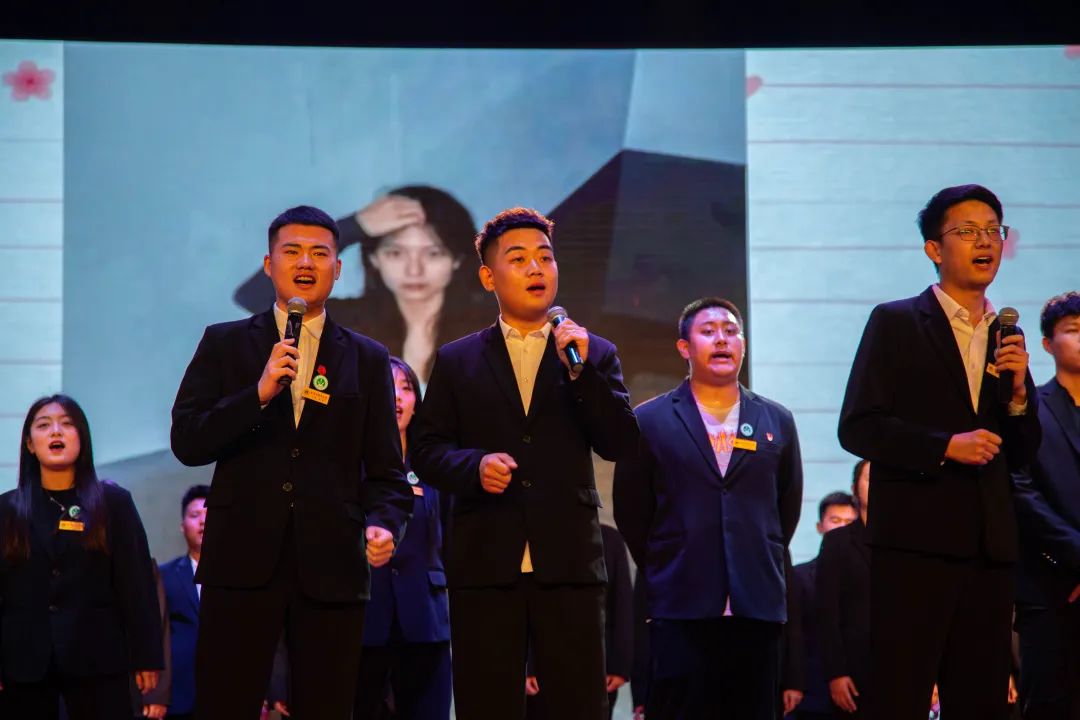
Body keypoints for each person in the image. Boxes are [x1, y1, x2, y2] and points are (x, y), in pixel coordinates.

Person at [171, 205, 413, 719]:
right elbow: (187, 441)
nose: (306, 262)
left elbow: (388, 476)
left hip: (332, 566)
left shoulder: (367, 357)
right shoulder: (225, 342)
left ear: (337, 268)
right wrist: (257, 394)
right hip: (240, 562)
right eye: (293, 251)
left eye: (320, 253)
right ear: (269, 264)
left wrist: (384, 524)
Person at [411, 206, 639, 719]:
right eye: (518, 259)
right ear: (488, 276)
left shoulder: (592, 352)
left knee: (579, 704)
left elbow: (620, 442)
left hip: (569, 561)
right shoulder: (458, 359)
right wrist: (473, 467)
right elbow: (426, 450)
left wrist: (582, 374)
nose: (536, 268)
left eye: (545, 257)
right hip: (485, 560)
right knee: (487, 702)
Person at [838, 184, 1041, 719]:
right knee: (899, 697)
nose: (985, 242)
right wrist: (945, 447)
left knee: (980, 701)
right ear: (934, 248)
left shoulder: (1007, 335)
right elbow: (859, 427)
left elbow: (1022, 453)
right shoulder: (896, 321)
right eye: (968, 231)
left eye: (993, 231)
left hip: (989, 549)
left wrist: (1020, 398)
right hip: (914, 546)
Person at [614, 296, 804, 720]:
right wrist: (667, 560)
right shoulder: (650, 420)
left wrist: (750, 551)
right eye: (708, 331)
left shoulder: (777, 420)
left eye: (731, 331)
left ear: (743, 345)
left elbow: (784, 509)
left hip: (756, 605)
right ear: (684, 347)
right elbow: (631, 511)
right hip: (681, 602)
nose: (722, 339)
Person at [0, 394, 162, 719]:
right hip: (24, 662)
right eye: (43, 425)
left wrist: (147, 656)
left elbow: (137, 585)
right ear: (30, 444)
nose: (55, 431)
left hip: (98, 659)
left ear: (81, 438)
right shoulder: (7, 509)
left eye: (67, 424)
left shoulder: (113, 503)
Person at [234, 186, 492, 385]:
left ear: (457, 259)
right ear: (374, 259)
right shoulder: (349, 323)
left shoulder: (492, 323)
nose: (414, 270)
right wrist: (352, 227)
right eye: (396, 253)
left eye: (433, 253)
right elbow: (254, 296)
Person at [353, 357, 452, 720]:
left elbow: (451, 539)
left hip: (425, 620)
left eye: (406, 388)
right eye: (387, 387)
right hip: (364, 619)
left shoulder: (433, 466)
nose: (397, 396)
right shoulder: (349, 464)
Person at [1011, 290, 1080, 719]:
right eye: (1074, 331)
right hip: (1051, 585)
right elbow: (1020, 488)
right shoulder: (1030, 408)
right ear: (1047, 345)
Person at [526, 523, 635, 720]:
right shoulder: (532, 536)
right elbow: (524, 606)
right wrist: (528, 665)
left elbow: (622, 604)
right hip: (543, 665)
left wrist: (620, 666)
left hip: (597, 666)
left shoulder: (610, 539)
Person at [782, 488, 857, 719]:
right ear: (819, 526)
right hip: (812, 692)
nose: (841, 527)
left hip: (857, 688)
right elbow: (794, 634)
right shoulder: (799, 576)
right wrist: (793, 683)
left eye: (848, 522)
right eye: (835, 520)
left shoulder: (865, 576)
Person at [815, 461, 872, 719]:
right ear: (855, 488)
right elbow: (827, 612)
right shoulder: (837, 542)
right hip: (854, 668)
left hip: (904, 664)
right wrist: (836, 672)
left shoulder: (909, 542)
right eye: (870, 479)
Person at [160, 485, 209, 720]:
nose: (203, 521)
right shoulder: (164, 575)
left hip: (233, 687)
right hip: (181, 695)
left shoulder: (242, 576)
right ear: (182, 526)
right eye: (195, 515)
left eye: (209, 514)